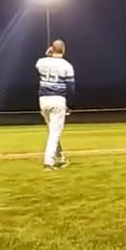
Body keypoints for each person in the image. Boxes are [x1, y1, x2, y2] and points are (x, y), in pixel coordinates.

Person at [35, 39, 75, 170]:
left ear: (51, 49)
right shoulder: (67, 65)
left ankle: (61, 158)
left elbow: (40, 65)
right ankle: (48, 163)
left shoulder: (41, 62)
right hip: (57, 99)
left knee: (53, 131)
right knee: (54, 133)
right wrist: (70, 104)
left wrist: (48, 54)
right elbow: (71, 88)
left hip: (43, 99)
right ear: (64, 50)